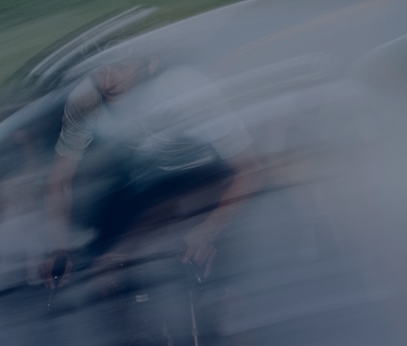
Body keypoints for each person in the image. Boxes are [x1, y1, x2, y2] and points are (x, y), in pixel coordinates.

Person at [40, 51, 258, 288]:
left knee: (213, 276)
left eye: (121, 67)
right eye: (101, 69)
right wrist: (59, 249)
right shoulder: (85, 98)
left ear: (150, 65)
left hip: (207, 177)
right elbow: (60, 181)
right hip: (145, 188)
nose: (108, 80)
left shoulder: (184, 88)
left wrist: (209, 230)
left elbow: (249, 169)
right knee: (106, 273)